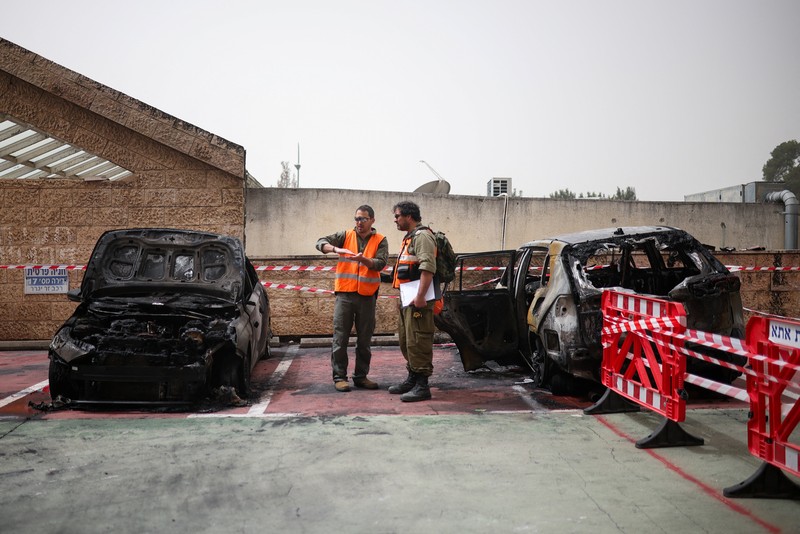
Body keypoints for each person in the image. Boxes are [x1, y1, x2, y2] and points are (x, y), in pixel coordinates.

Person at [316, 205, 389, 392]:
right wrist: (335, 249)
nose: (359, 222)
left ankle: (361, 376)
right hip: (345, 296)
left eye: (363, 219)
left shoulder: (380, 240)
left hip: (367, 297)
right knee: (340, 338)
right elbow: (320, 243)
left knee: (364, 340)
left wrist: (363, 260)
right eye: (357, 218)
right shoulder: (345, 235)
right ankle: (339, 377)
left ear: (372, 220)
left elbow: (380, 263)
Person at [389, 200, 438, 402]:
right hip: (408, 297)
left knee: (419, 339)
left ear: (409, 216)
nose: (395, 220)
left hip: (419, 299)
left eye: (397, 216)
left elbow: (428, 267)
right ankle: (413, 377)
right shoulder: (409, 238)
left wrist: (419, 297)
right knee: (407, 340)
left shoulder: (423, 236)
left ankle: (422, 385)